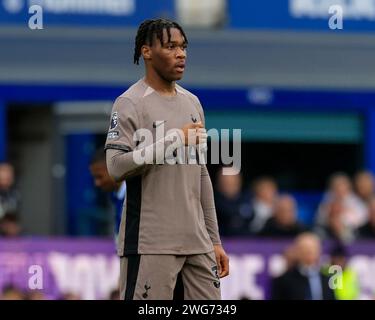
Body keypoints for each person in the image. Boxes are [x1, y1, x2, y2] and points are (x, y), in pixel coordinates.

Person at [104, 19, 229, 300]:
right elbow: (115, 167)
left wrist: (214, 240)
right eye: (171, 46)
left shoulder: (192, 103)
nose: (181, 53)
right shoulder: (129, 103)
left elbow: (201, 175)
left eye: (183, 47)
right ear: (147, 52)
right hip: (151, 244)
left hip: (198, 245)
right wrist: (173, 140)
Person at [271, 232, 335, 300]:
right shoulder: (284, 280)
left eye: (312, 248)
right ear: (297, 251)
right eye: (305, 249)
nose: (309, 252)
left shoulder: (327, 280)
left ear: (319, 251)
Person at [89, 149, 126, 239]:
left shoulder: (136, 198)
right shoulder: (115, 196)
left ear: (114, 169)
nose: (97, 183)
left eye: (99, 176)